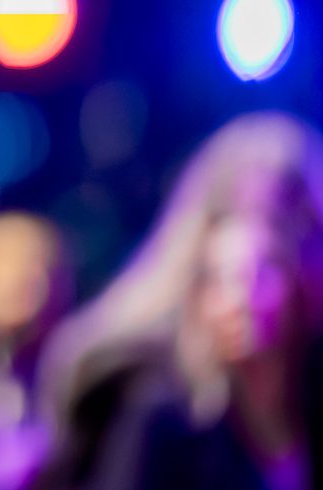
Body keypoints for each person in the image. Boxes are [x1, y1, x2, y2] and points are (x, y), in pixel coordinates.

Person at [31, 111, 323, 490]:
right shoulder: (159, 405)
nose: (246, 297)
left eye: (285, 223)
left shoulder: (307, 392)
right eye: (230, 276)